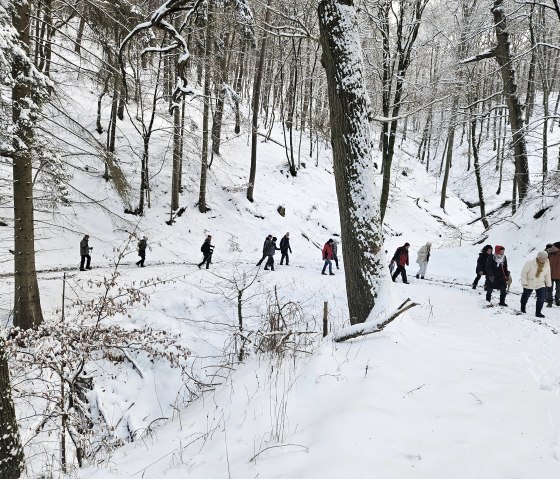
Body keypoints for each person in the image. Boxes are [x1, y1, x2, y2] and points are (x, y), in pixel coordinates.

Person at [520, 251, 551, 318]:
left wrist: (548, 283)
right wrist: (524, 282)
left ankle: (538, 312)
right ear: (538, 257)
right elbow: (524, 273)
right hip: (529, 282)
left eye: (545, 258)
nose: (544, 260)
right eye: (542, 258)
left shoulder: (547, 264)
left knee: (541, 298)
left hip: (540, 283)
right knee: (525, 296)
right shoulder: (530, 263)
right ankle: (523, 307)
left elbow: (547, 275)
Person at [546, 242, 560, 307]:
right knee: (549, 290)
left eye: (554, 247)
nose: (552, 248)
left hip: (559, 276)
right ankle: (549, 302)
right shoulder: (549, 254)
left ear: (558, 248)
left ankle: (557, 301)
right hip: (549, 275)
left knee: (558, 290)